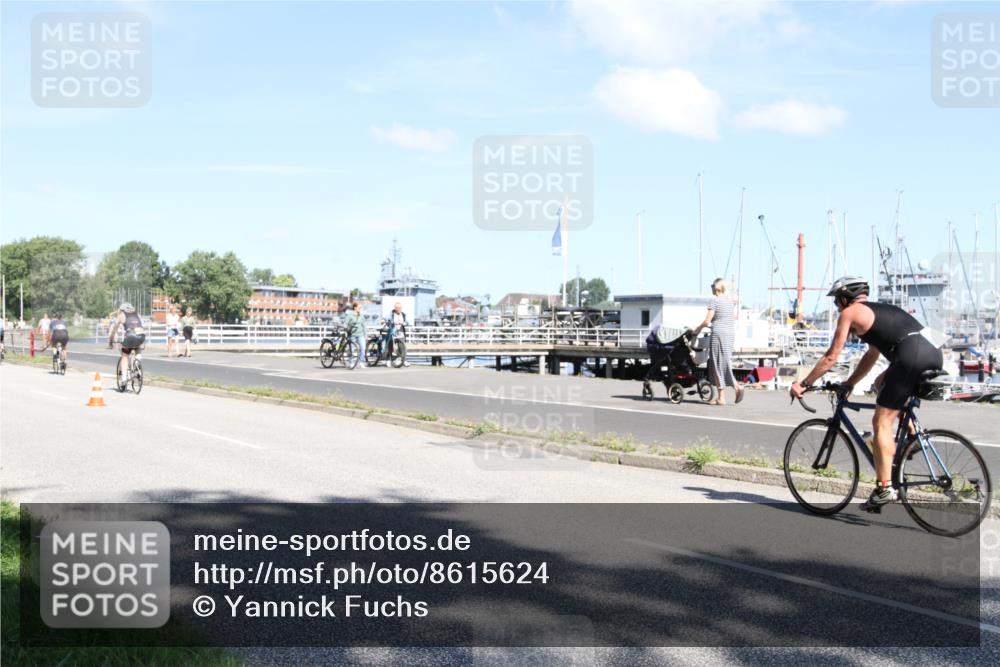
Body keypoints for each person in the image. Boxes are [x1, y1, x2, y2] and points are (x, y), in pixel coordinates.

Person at [790, 276, 944, 511]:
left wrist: (805, 383)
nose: (836, 306)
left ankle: (884, 488)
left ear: (844, 298)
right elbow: (872, 354)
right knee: (882, 382)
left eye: (836, 301)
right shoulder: (883, 309)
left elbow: (832, 356)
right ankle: (912, 437)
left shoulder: (850, 313)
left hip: (910, 356)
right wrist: (851, 382)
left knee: (881, 420)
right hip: (933, 352)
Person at [691, 279, 744, 406]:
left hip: (719, 334)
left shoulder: (714, 300)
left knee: (716, 364)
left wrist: (696, 330)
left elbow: (707, 320)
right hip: (730, 334)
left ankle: (729, 392)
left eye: (712, 285)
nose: (711, 287)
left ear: (717, 288)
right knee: (724, 362)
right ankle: (727, 393)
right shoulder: (729, 301)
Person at [108, 302, 146, 384]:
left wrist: (111, 341)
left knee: (124, 355)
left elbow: (114, 329)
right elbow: (142, 326)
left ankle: (124, 378)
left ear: (121, 309)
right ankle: (137, 364)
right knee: (137, 347)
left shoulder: (121, 315)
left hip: (130, 337)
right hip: (141, 336)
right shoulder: (137, 314)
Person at [344, 301, 366, 365]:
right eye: (359, 307)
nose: (360, 309)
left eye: (360, 308)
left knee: (363, 348)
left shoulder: (361, 315)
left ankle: (361, 362)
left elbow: (364, 325)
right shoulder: (350, 315)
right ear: (355, 307)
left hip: (360, 334)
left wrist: (365, 335)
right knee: (352, 350)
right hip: (352, 334)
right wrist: (345, 328)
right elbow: (346, 323)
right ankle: (351, 362)